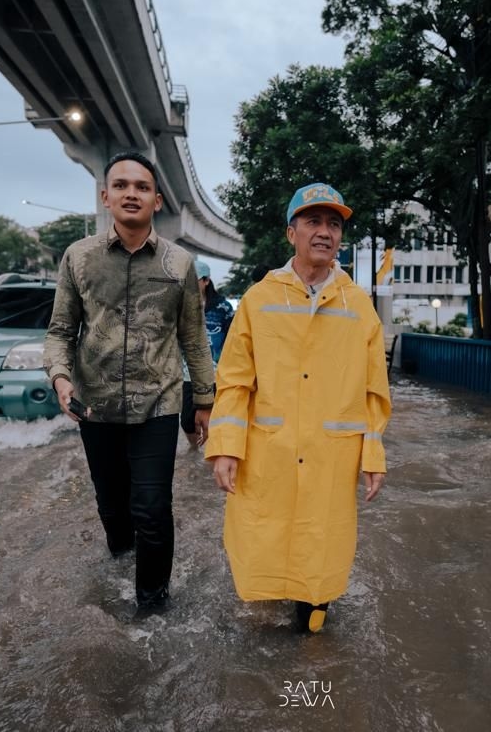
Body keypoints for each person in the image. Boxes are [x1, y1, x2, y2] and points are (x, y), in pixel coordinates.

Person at [206, 182, 392, 633]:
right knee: (264, 542)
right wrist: (226, 446)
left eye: (334, 224)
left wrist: (372, 454)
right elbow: (234, 381)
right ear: (292, 233)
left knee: (321, 544)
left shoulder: (358, 306)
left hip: (331, 454)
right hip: (269, 451)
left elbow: (374, 391)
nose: (325, 232)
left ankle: (311, 642)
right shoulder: (259, 300)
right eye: (313, 221)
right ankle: (272, 630)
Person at [43, 151, 214, 615]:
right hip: (94, 405)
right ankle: (121, 564)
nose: (131, 193)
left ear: (157, 200)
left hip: (157, 403)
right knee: (113, 508)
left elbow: (194, 338)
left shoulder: (180, 263)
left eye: (142, 187)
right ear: (106, 197)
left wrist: (204, 400)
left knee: (152, 507)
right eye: (121, 185)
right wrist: (60, 378)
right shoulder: (79, 257)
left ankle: (152, 606)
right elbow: (60, 331)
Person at [181, 260, 235, 447]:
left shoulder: (223, 308)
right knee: (187, 421)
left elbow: (233, 338)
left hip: (217, 372)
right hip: (188, 373)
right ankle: (194, 451)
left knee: (216, 417)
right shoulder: (181, 305)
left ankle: (212, 453)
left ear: (206, 281)